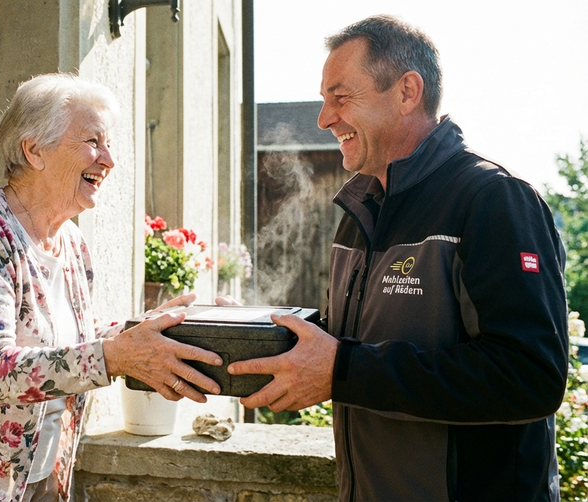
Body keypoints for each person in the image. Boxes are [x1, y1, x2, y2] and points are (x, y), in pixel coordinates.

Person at [228, 15, 569, 501]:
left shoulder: (494, 200)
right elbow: (359, 341)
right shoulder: (361, 209)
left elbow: (531, 377)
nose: (324, 119)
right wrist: (251, 331)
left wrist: (343, 370)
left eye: (340, 98)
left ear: (408, 91)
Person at [0, 73, 222, 502]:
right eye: (93, 141)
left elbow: (74, 341)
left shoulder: (71, 242)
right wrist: (115, 357)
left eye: (109, 143)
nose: (109, 160)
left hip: (39, 478)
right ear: (34, 150)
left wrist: (153, 329)